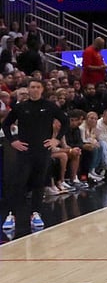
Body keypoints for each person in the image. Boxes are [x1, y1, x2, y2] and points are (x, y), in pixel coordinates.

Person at [2, 79, 70, 238]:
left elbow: (65, 122)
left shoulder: (49, 106)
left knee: (39, 183)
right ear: (28, 89)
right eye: (32, 87)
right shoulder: (20, 107)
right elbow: (6, 125)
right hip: (25, 151)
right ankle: (11, 215)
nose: (35, 89)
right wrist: (13, 141)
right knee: (20, 183)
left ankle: (36, 213)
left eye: (38, 87)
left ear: (42, 89)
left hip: (43, 151)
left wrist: (57, 139)